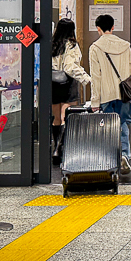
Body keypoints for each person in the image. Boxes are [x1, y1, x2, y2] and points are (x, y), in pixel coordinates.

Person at [88, 13, 131, 175]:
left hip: (106, 94)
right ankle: (124, 155)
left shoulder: (95, 48)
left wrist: (95, 101)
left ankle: (110, 159)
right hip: (124, 94)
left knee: (108, 127)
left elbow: (96, 77)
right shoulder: (125, 45)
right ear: (113, 27)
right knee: (122, 124)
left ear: (98, 29)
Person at [50, 18, 91, 160]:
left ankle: (56, 147)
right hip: (68, 84)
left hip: (53, 83)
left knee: (56, 118)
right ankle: (61, 148)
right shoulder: (72, 45)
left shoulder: (52, 44)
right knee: (65, 117)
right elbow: (70, 67)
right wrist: (86, 79)